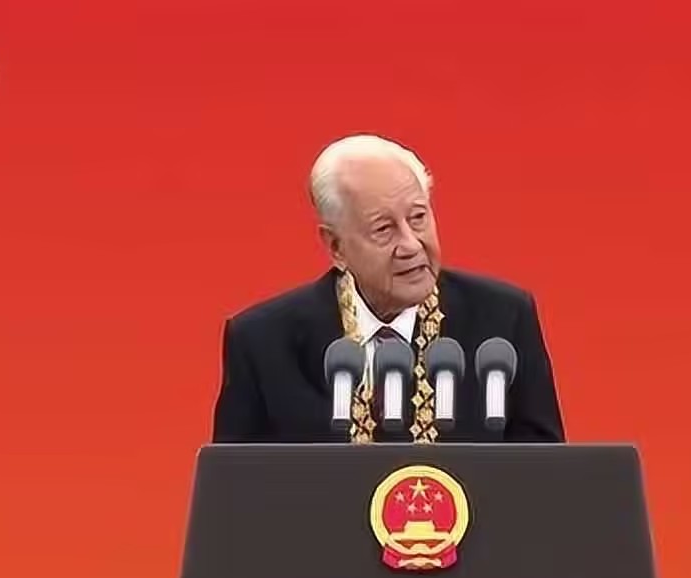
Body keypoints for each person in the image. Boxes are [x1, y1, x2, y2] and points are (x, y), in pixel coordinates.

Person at [212, 133, 565, 445]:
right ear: (336, 247)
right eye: (383, 229)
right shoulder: (262, 342)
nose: (411, 245)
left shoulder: (502, 320)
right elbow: (234, 488)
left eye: (418, 218)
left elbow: (545, 477)